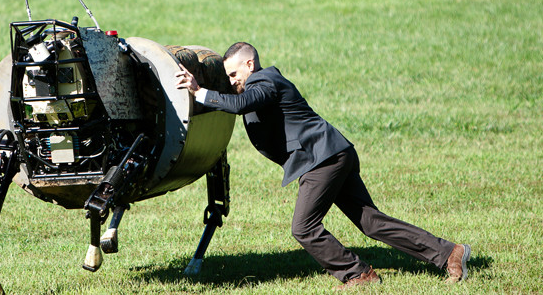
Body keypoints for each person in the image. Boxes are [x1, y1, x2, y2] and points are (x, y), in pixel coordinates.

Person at [175, 42, 471, 290]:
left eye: (234, 73)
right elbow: (235, 102)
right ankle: (449, 253)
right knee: (370, 221)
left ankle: (358, 274)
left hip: (322, 160)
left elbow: (240, 104)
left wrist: (200, 91)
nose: (231, 80)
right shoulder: (252, 88)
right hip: (332, 154)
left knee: (303, 227)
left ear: (250, 64)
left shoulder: (265, 81)